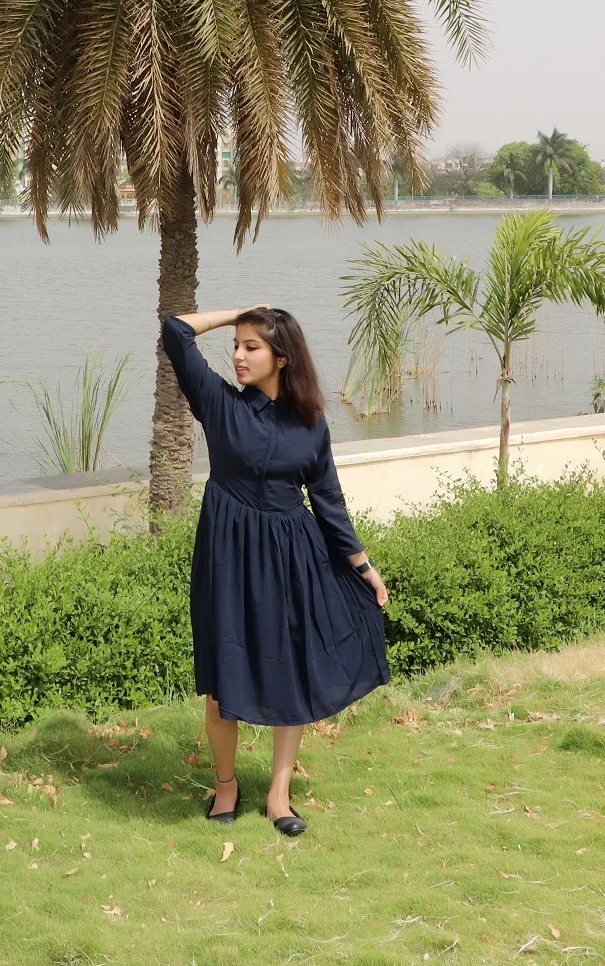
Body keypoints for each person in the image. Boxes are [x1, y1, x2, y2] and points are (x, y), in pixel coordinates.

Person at [161, 304, 390, 835]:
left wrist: (363, 566)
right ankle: (225, 787)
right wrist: (237, 315)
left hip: (293, 562)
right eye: (236, 345)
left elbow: (329, 503)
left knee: (292, 674)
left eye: (252, 346)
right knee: (222, 685)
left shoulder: (310, 425)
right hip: (227, 561)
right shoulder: (219, 403)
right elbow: (175, 331)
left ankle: (279, 797)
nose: (238, 356)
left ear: (282, 357)